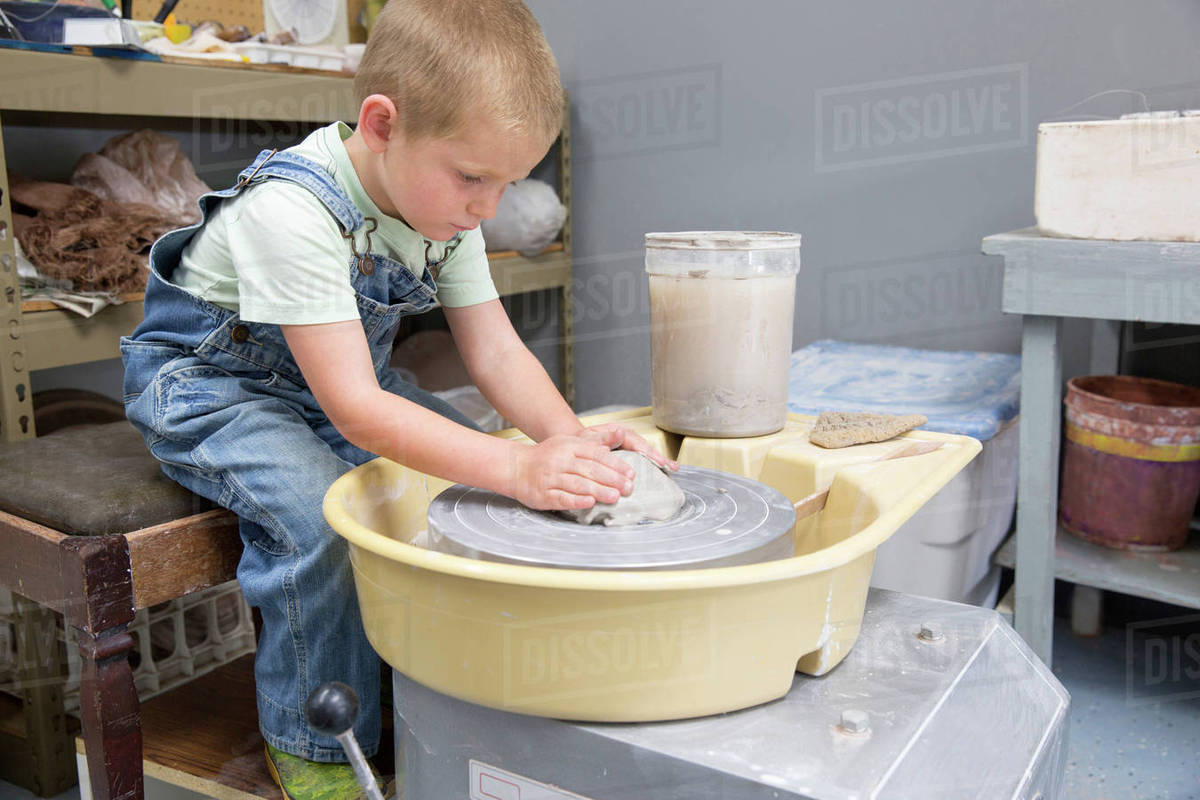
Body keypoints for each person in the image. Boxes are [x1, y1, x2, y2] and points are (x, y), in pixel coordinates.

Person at [120, 0, 675, 796]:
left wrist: (566, 439)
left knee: (459, 481)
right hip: (211, 388)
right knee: (321, 514)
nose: (488, 207)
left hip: (335, 385)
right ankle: (314, 742)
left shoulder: (447, 215)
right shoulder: (294, 212)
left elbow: (494, 350)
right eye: (474, 177)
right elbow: (356, 410)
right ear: (380, 124)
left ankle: (407, 675)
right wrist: (515, 471)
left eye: (508, 182)